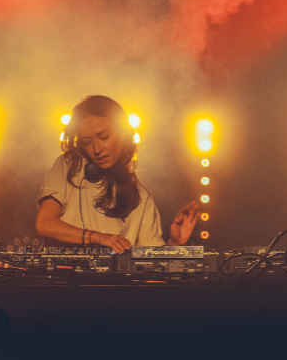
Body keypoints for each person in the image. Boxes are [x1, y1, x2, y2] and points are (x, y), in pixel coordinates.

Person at [35, 95, 199, 253]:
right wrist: (97, 237)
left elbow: (152, 264)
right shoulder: (71, 165)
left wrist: (175, 244)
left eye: (104, 137)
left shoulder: (142, 197)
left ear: (123, 133)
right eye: (87, 142)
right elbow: (44, 224)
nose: (97, 149)